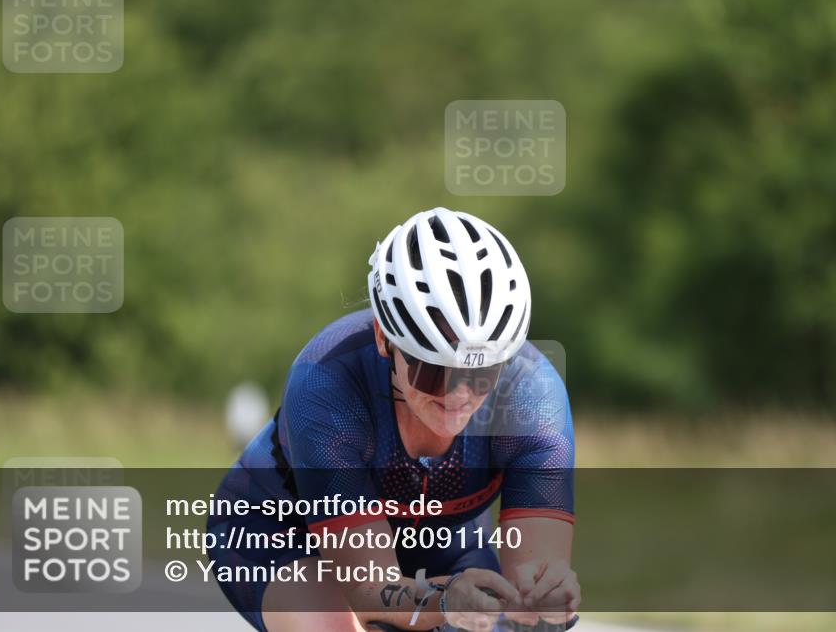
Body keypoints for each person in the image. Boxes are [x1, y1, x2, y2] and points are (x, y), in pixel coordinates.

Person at [208, 207, 578, 632]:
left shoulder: (534, 397)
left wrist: (541, 600)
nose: (458, 394)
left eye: (482, 374)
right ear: (385, 338)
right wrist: (442, 601)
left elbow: (532, 582)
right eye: (432, 371)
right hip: (284, 532)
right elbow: (372, 596)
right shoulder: (328, 383)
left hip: (445, 542)